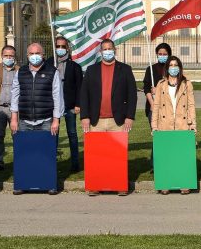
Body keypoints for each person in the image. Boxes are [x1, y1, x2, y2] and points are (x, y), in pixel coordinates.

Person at [79, 39, 137, 196]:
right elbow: (84, 95)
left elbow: (132, 95)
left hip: (117, 120)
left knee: (117, 154)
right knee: (97, 155)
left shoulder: (125, 69)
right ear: (100, 52)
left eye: (110, 48)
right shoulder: (91, 70)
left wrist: (129, 117)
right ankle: (96, 185)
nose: (107, 51)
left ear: (115, 50)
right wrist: (84, 116)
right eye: (104, 49)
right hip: (95, 120)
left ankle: (120, 185)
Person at [151, 56, 197, 194]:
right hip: (165, 123)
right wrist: (154, 125)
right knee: (167, 154)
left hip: (182, 122)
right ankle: (166, 182)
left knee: (182, 154)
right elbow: (157, 105)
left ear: (180, 67)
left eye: (175, 65)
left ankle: (184, 182)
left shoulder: (186, 84)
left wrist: (193, 123)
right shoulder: (161, 84)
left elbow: (191, 105)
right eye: (171, 65)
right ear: (167, 68)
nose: (173, 67)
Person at [52, 35, 83, 172]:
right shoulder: (49, 63)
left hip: (70, 105)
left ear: (67, 48)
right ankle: (52, 163)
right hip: (54, 106)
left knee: (72, 134)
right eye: (58, 46)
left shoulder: (75, 66)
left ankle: (75, 164)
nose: (60, 49)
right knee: (54, 134)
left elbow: (79, 86)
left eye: (62, 46)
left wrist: (78, 104)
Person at [0, 45, 18, 171]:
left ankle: (19, 159)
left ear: (14, 57)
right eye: (6, 55)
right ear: (2, 56)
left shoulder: (19, 70)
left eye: (11, 56)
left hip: (15, 109)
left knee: (17, 135)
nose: (8, 58)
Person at [143, 42, 171, 122]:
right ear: (157, 54)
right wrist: (152, 104)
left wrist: (158, 89)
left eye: (164, 54)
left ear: (169, 54)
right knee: (156, 133)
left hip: (169, 107)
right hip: (153, 107)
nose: (162, 56)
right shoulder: (150, 69)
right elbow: (147, 88)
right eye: (160, 54)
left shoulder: (172, 69)